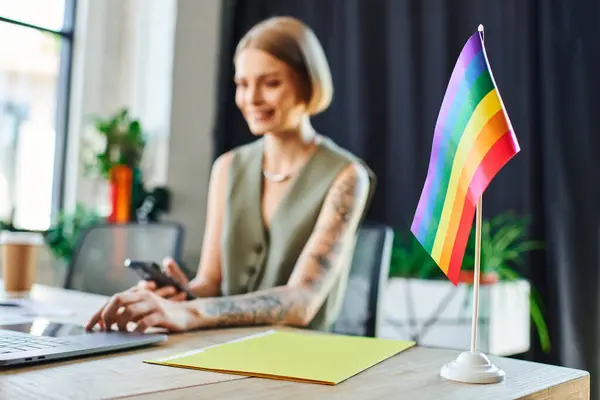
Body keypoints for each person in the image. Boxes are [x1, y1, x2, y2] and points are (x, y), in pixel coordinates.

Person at [86, 16, 375, 334]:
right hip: (222, 347)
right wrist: (182, 294)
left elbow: (302, 301)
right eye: (242, 84)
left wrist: (193, 312)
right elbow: (211, 282)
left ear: (307, 84)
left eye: (270, 83)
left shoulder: (347, 176)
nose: (251, 99)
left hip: (303, 359)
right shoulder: (228, 167)